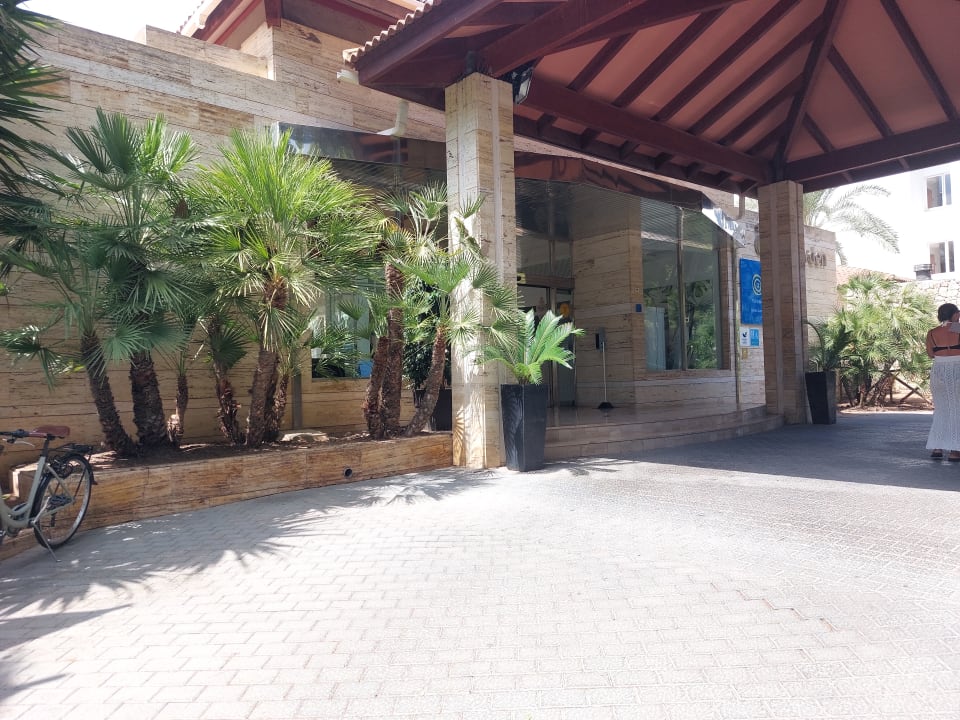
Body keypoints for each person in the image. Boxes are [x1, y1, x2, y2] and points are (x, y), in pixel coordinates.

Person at [925, 302, 960, 460]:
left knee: (940, 409)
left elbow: (930, 354)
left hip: (938, 371)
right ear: (954, 314)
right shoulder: (958, 329)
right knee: (957, 410)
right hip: (957, 370)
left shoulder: (932, 332)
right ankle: (955, 450)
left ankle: (937, 447)